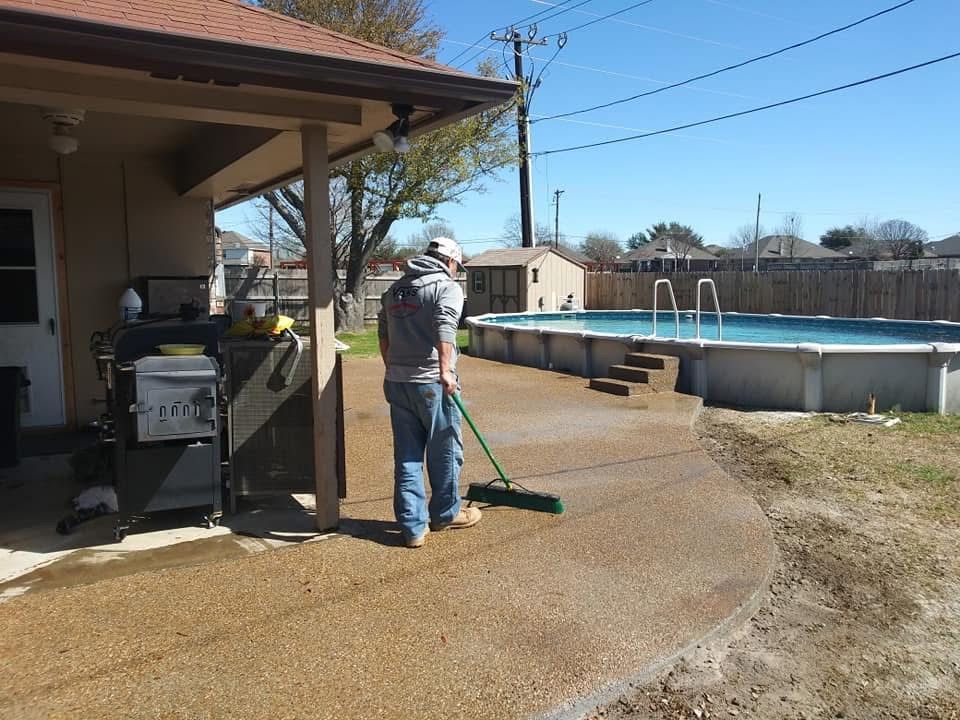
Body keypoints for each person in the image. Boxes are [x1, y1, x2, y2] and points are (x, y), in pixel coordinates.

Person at [378, 237, 481, 548]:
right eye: (456, 266)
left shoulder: (395, 288)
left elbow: (383, 331)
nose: (455, 271)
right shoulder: (445, 287)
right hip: (432, 384)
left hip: (397, 381)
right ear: (450, 261)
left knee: (407, 456)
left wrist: (391, 366)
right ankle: (445, 514)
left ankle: (412, 528)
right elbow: (445, 327)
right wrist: (446, 371)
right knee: (445, 451)